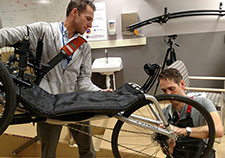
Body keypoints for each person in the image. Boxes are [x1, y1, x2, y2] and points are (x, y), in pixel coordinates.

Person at [0, 0, 111, 157]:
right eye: (88, 19)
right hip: (47, 103)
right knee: (48, 152)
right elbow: (9, 34)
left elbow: (84, 81)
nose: (90, 25)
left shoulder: (84, 46)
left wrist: (100, 92)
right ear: (74, 13)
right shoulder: (44, 31)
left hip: (74, 102)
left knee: (88, 151)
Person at [158, 68, 224, 158]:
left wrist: (182, 131)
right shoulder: (164, 113)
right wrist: (169, 149)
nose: (168, 94)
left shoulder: (202, 103)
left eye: (171, 88)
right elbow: (166, 150)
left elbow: (219, 131)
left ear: (182, 84)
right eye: (164, 90)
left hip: (202, 154)